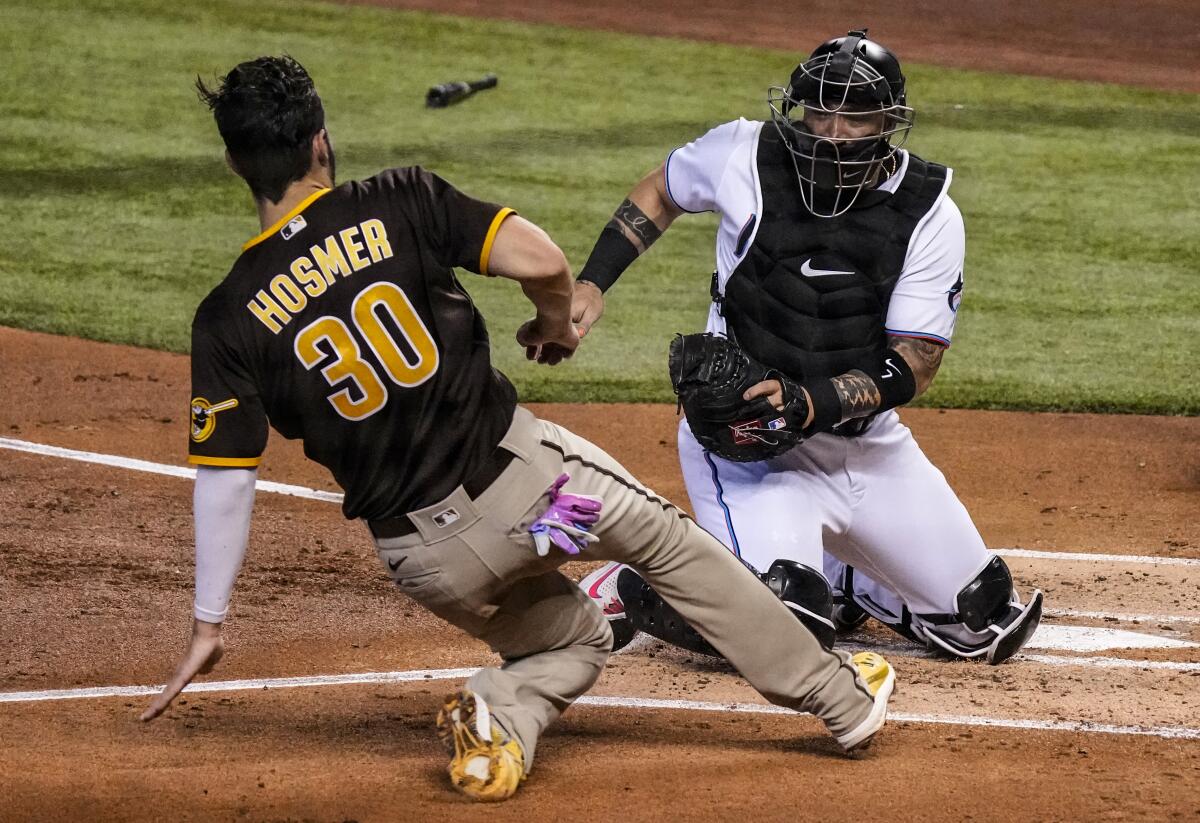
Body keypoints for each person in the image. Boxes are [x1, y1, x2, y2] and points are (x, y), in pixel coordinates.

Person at [139, 55, 897, 803]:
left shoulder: (226, 316)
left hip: (428, 562)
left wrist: (208, 622)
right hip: (537, 498)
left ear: (236, 164)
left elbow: (227, 477)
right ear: (320, 144)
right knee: (668, 543)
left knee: (576, 638)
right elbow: (542, 257)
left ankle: (500, 714)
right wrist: (553, 322)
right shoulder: (397, 200)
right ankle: (840, 698)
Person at [574, 30, 1043, 665]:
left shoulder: (929, 213)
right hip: (754, 449)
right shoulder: (745, 152)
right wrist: (593, 282)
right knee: (784, 625)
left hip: (867, 447)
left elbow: (916, 362)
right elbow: (662, 189)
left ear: (888, 121)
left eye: (855, 114)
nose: (832, 129)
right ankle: (634, 587)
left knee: (982, 617)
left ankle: (844, 578)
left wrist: (812, 400)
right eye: (819, 109)